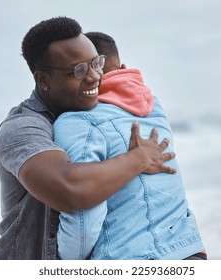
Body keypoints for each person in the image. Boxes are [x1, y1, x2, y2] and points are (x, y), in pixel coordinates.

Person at [0, 17, 176, 260]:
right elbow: (69, 189)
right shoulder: (22, 128)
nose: (95, 76)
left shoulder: (94, 117)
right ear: (43, 80)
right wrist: (139, 158)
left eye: (96, 63)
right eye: (79, 70)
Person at [55, 32, 206, 260]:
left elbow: (84, 218)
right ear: (122, 67)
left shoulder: (78, 122)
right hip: (189, 249)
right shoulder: (154, 106)